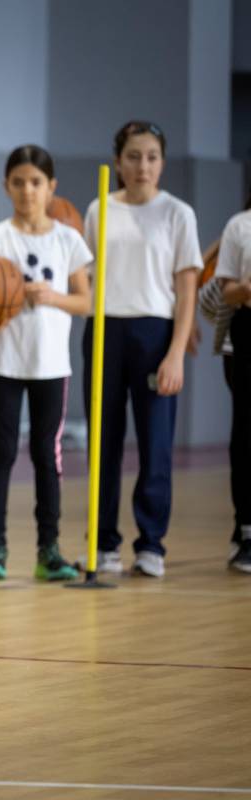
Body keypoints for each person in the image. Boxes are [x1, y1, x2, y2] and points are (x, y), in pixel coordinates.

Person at [81, 121, 202, 578]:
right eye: (133, 156)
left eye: (151, 156)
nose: (142, 165)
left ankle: (151, 544)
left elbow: (187, 288)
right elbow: (86, 279)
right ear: (118, 162)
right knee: (103, 444)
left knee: (155, 444)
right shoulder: (99, 209)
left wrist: (175, 351)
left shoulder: (178, 214)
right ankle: (103, 544)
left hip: (154, 333)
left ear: (162, 162)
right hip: (104, 331)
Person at [0, 146, 93, 582]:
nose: (27, 190)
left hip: (50, 365)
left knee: (46, 453)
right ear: (6, 187)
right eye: (18, 182)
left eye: (36, 182)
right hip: (3, 361)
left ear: (51, 187)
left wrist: (51, 296)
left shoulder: (68, 240)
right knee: (1, 452)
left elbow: (87, 301)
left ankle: (49, 550)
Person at [212, 193, 251, 573]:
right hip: (243, 336)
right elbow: (222, 293)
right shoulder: (241, 226)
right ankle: (246, 529)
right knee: (246, 437)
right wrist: (246, 289)